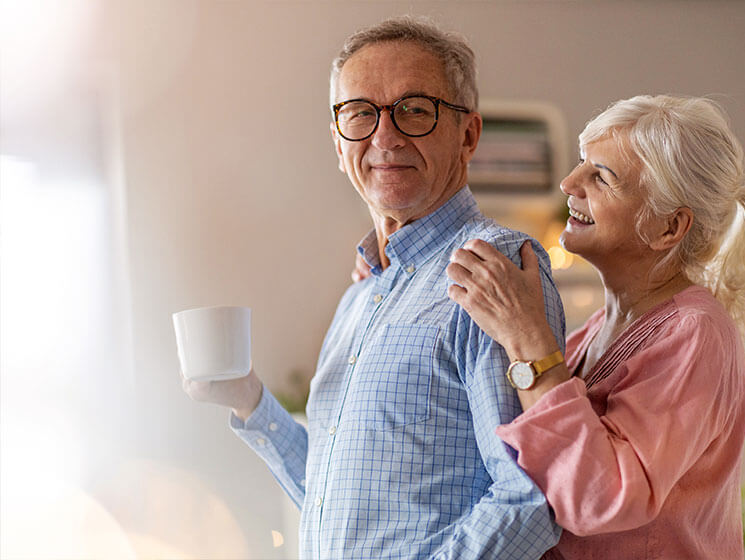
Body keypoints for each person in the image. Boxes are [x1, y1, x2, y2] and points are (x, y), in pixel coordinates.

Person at [181, 16, 565, 560]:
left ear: (469, 134)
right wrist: (248, 401)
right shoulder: (360, 295)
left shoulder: (495, 267)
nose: (385, 136)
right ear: (339, 145)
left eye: (414, 109)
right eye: (360, 113)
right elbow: (334, 500)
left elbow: (532, 496)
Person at [443, 94, 745, 559]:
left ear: (668, 227)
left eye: (602, 177)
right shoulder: (596, 330)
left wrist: (525, 336)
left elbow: (602, 497)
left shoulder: (695, 332)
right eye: (580, 164)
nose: (569, 183)